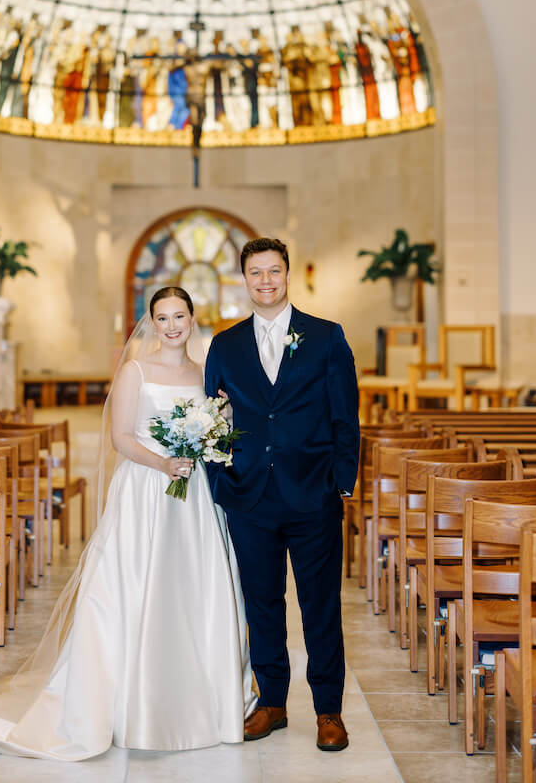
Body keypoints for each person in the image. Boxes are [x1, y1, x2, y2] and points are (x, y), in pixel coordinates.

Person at [0, 286, 256, 760]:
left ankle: (200, 698)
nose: (172, 325)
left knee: (193, 588)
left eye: (180, 316)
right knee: (135, 586)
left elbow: (221, 421)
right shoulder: (135, 371)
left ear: (193, 320)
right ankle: (130, 701)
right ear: (151, 323)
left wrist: (214, 432)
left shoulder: (204, 373)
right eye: (162, 317)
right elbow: (120, 438)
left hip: (194, 495)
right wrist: (164, 463)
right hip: (146, 491)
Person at [205, 238, 360, 752]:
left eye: (274, 271)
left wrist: (341, 482)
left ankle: (328, 710)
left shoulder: (325, 337)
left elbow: (345, 418)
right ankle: (271, 702)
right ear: (244, 280)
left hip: (312, 496)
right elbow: (211, 421)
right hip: (249, 498)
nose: (266, 280)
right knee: (262, 605)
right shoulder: (224, 345)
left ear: (288, 275)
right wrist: (220, 483)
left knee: (321, 606)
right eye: (256, 273)